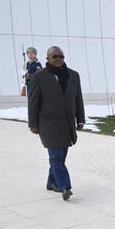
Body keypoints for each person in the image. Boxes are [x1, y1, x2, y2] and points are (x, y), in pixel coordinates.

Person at [28, 46, 85, 200]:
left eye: (61, 56)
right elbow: (33, 102)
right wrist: (33, 124)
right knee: (55, 156)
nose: (58, 59)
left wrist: (80, 119)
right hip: (48, 123)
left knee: (61, 156)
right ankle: (64, 187)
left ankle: (51, 181)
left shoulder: (73, 75)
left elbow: (78, 99)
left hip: (67, 124)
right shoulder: (38, 77)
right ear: (48, 59)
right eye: (54, 56)